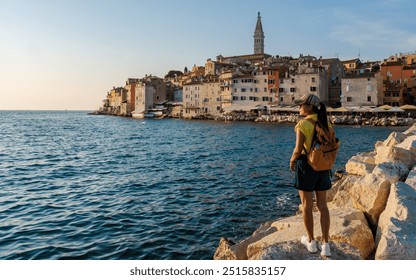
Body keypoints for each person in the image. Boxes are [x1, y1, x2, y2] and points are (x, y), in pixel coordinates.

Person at [289, 93, 332, 257]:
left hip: (306, 165)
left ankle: (311, 242)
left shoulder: (303, 124)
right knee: (323, 206)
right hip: (322, 165)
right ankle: (326, 244)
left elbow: (298, 148)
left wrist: (292, 161)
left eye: (301, 104)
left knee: (307, 205)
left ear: (309, 106)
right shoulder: (326, 121)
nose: (299, 107)